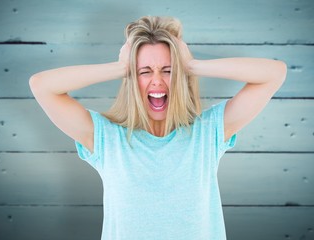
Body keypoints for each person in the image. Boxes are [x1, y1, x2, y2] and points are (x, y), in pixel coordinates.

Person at [30, 16, 287, 240]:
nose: (157, 81)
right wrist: (121, 67)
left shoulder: (207, 132)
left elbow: (274, 73)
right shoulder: (107, 138)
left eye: (168, 70)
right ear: (132, 78)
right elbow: (41, 85)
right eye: (144, 72)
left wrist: (192, 65)